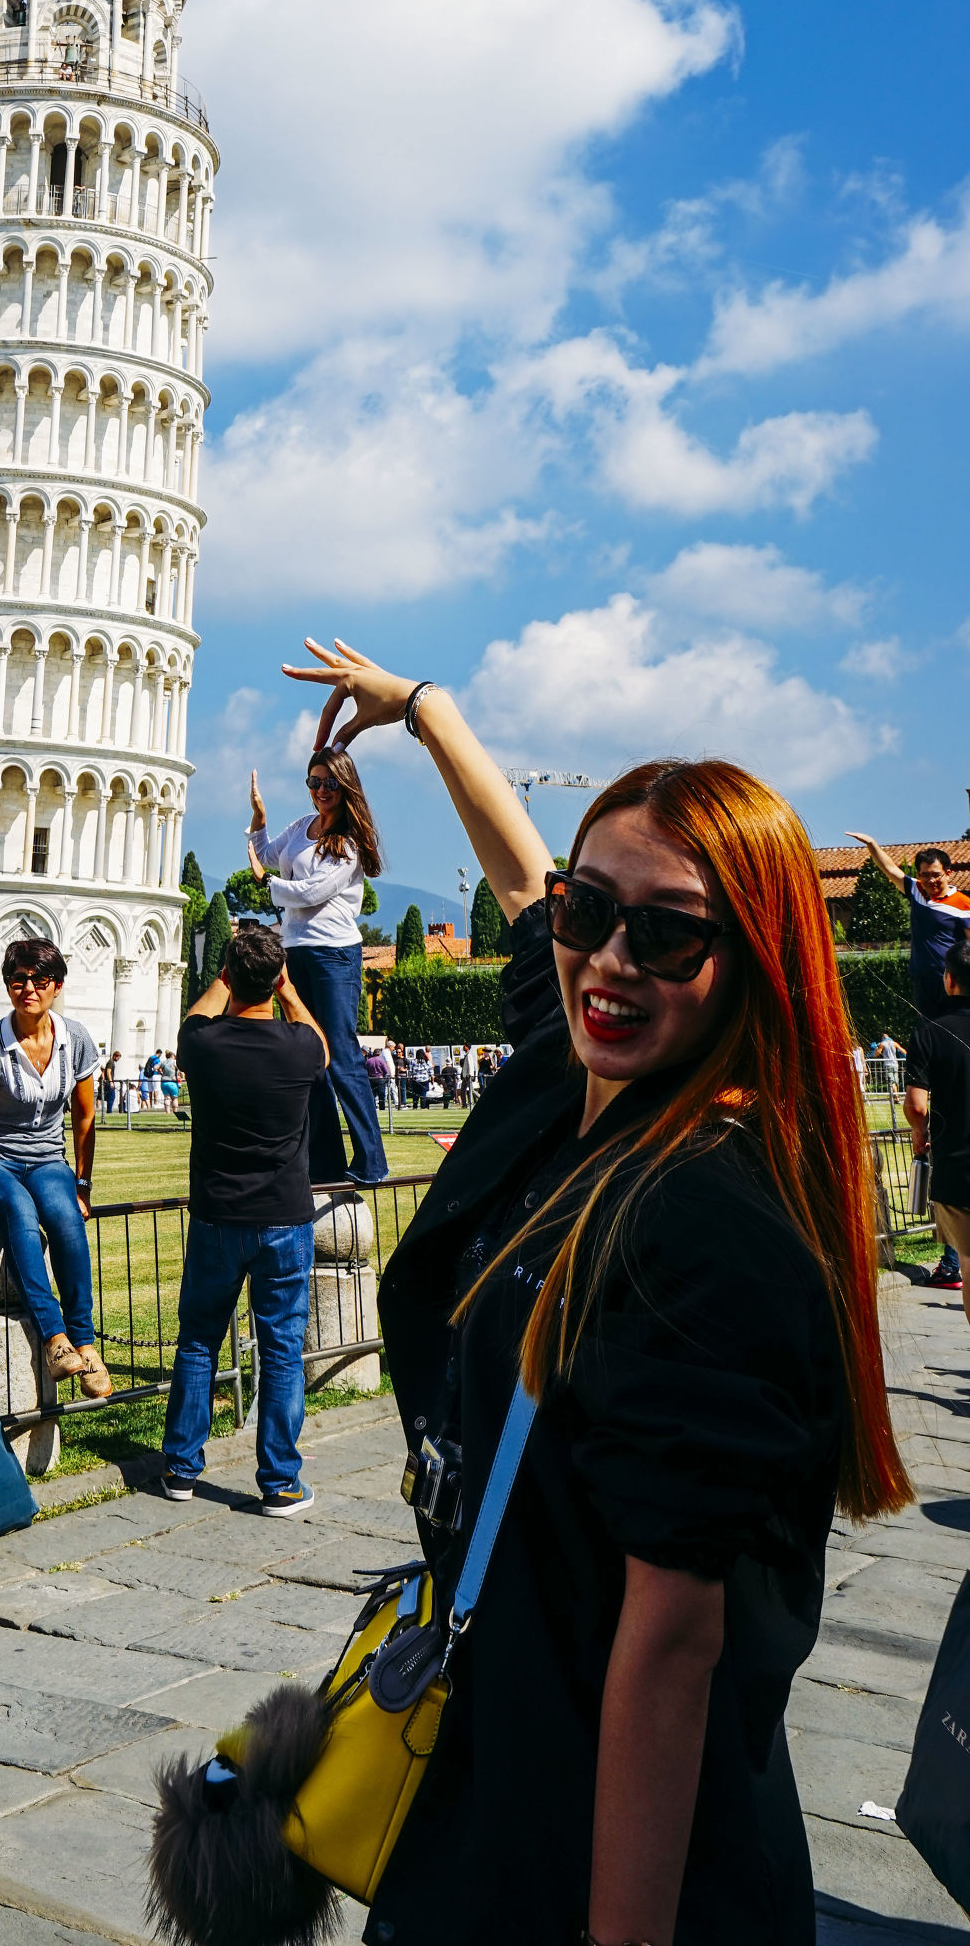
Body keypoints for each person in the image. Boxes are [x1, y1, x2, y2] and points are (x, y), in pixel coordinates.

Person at [283, 638, 910, 1944]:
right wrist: (427, 714)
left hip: (582, 1849)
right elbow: (522, 876)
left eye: (668, 932)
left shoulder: (704, 1224)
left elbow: (672, 1651)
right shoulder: (579, 1086)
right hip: (493, 1769)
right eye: (589, 913)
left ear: (750, 963)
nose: (609, 958)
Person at [164, 921, 329, 1514]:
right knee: (281, 1347)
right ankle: (279, 1479)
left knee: (199, 1342)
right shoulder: (299, 1046)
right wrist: (286, 989)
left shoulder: (204, 1045)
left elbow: (191, 1021)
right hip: (284, 1214)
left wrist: (224, 977)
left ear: (230, 977)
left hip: (217, 1213)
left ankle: (182, 1467)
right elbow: (323, 1046)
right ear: (277, 978)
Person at [0, 936, 110, 1397]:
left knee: (63, 1216)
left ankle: (86, 1341)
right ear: (7, 986)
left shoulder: (74, 1038)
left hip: (46, 1160)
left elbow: (84, 1117)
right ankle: (56, 1340)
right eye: (18, 981)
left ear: (57, 986)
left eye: (40, 980)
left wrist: (83, 1184)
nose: (29, 989)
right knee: (19, 1209)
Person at [248, 749, 389, 1187]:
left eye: (329, 782)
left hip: (333, 953)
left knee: (342, 1054)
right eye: (314, 782)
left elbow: (312, 891)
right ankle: (326, 1163)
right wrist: (258, 818)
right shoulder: (299, 828)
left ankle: (372, 1162)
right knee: (310, 1058)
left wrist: (265, 883)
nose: (321, 790)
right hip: (295, 950)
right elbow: (267, 853)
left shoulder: (348, 843)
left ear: (345, 785)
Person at [851, 833, 970, 1285]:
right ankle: (952, 1260)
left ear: (949, 874)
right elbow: (891, 872)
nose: (930, 883)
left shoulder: (962, 904)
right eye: (924, 876)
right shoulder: (917, 893)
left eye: (937, 876)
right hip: (931, 1010)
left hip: (949, 1012)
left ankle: (954, 1261)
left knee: (949, 1132)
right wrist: (872, 846)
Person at [906, 938, 970, 1318]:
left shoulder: (930, 1032)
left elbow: (916, 1105)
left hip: (958, 1170)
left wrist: (920, 1132)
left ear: (949, 979)